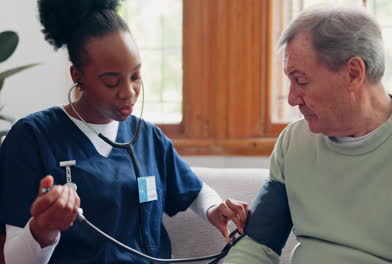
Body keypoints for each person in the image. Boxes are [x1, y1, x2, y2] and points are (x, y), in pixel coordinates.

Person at [0, 0, 249, 263]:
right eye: (111, 82)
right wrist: (44, 229)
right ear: (77, 76)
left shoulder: (148, 138)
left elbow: (194, 189)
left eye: (135, 76)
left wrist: (214, 209)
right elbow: (11, 259)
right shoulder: (32, 138)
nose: (128, 92)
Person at [224, 5, 392, 264]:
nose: (293, 98)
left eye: (301, 81)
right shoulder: (294, 142)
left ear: (353, 73)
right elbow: (258, 244)